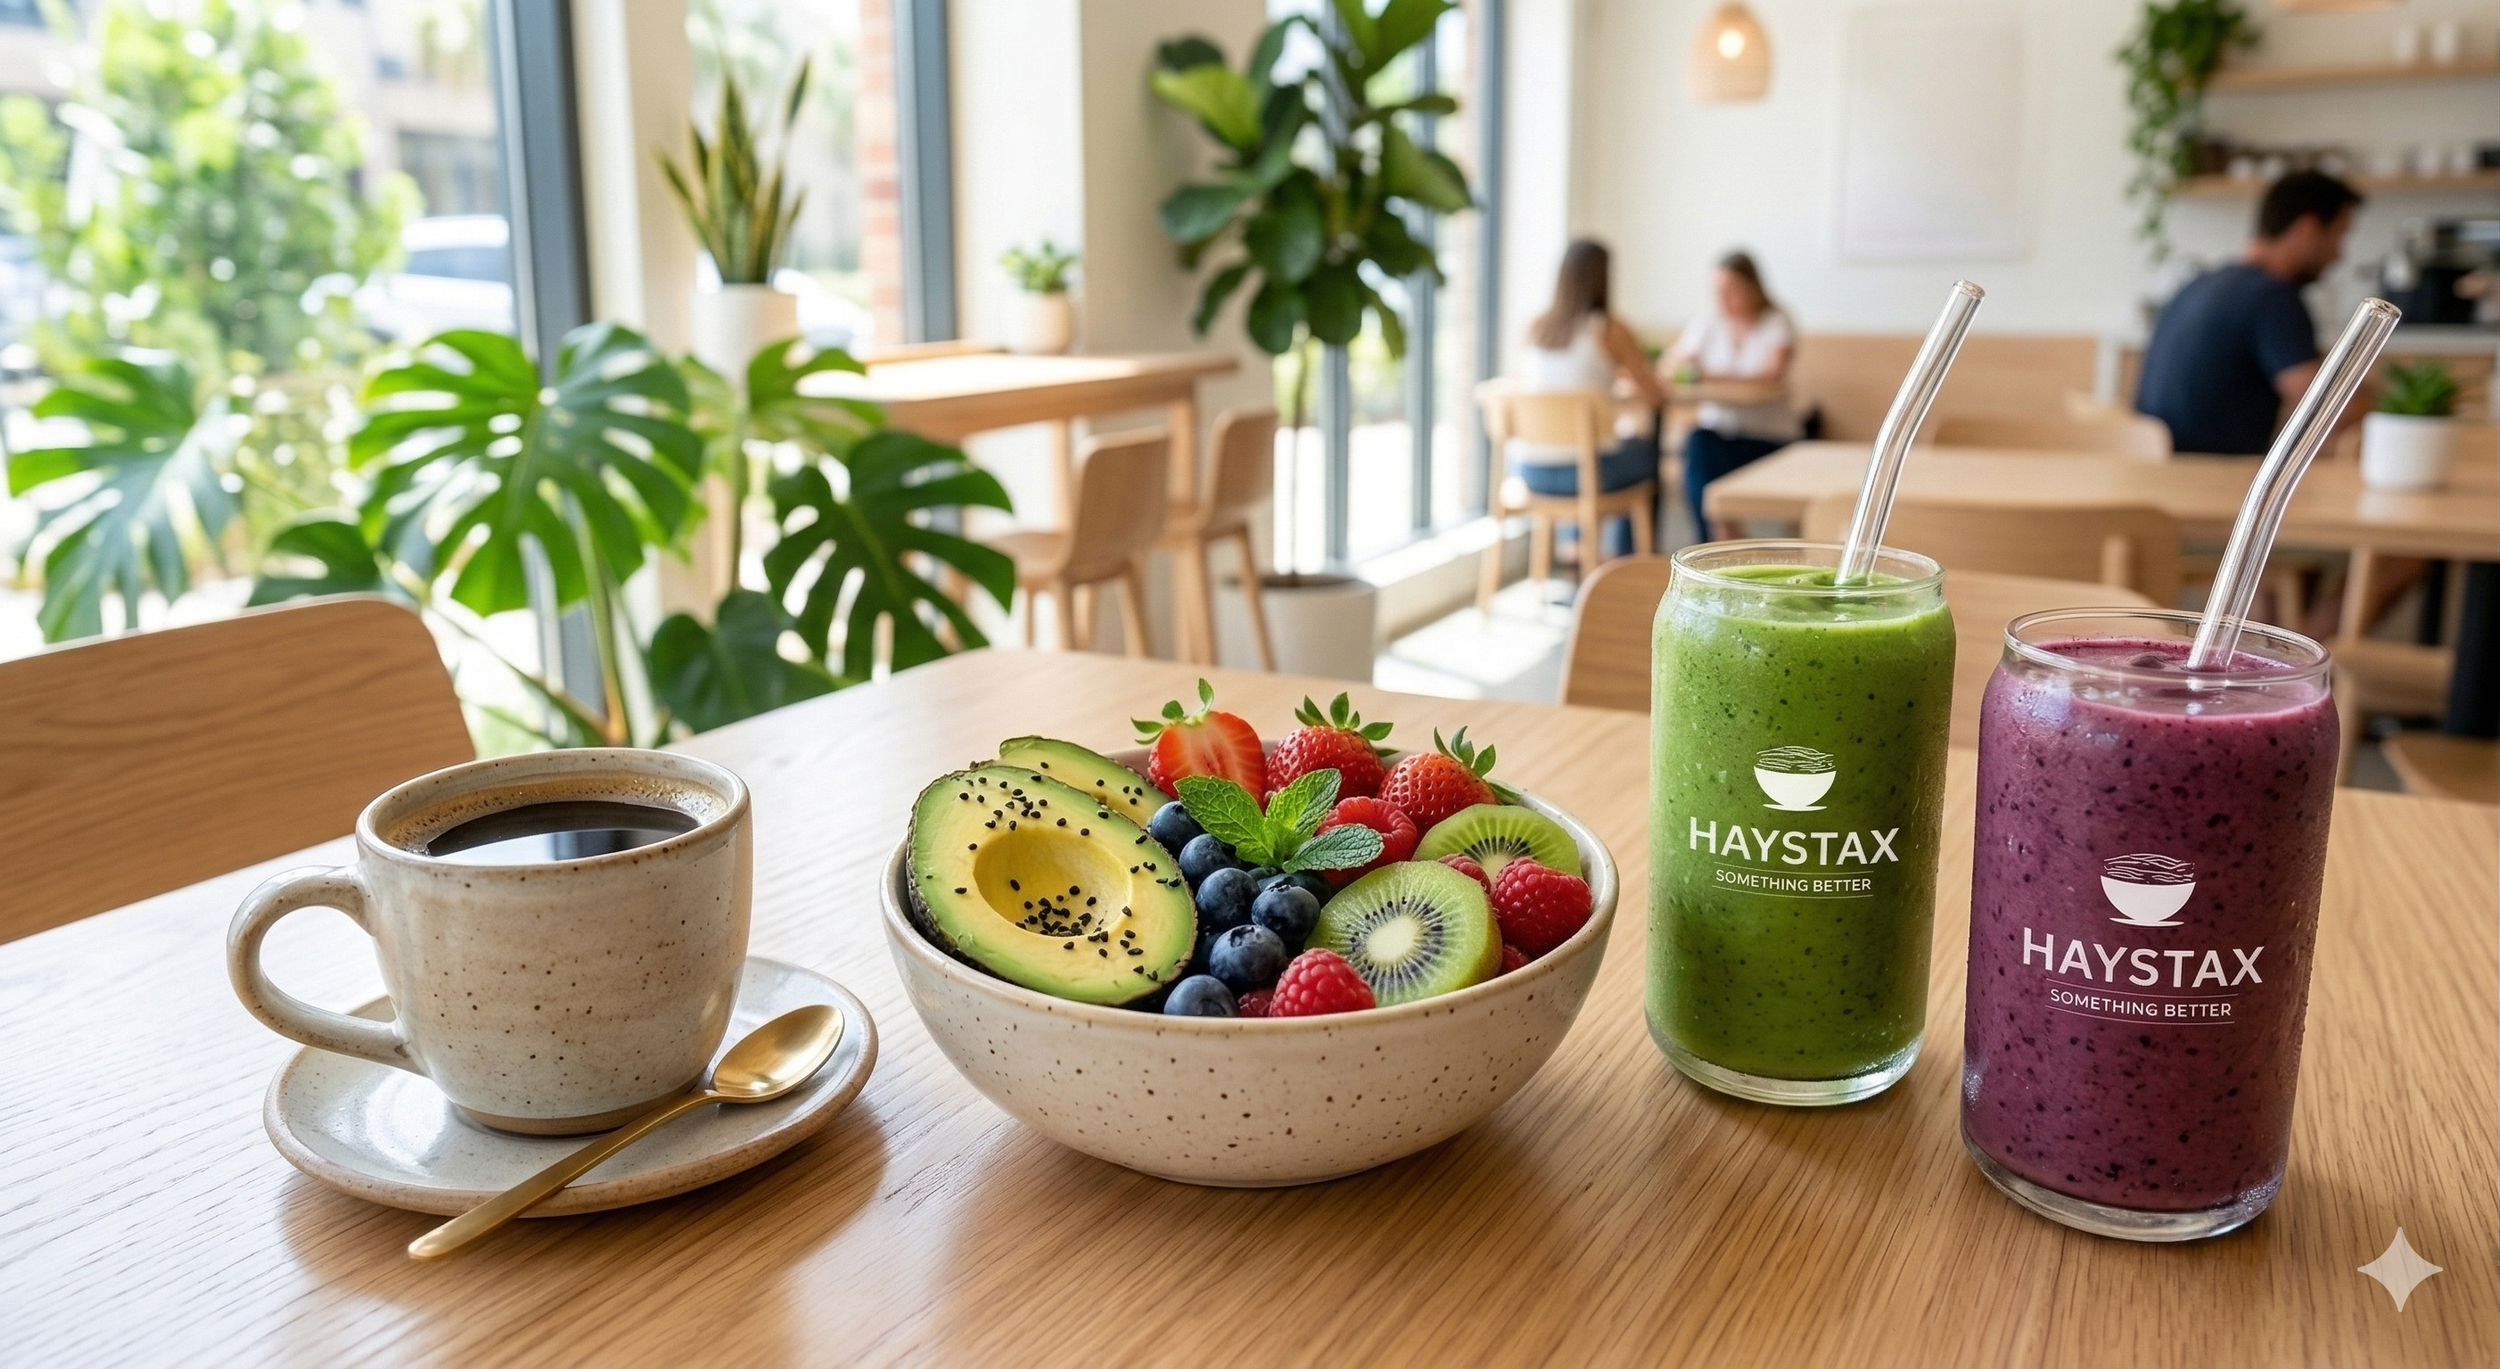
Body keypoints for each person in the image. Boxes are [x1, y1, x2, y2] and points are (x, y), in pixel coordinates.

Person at [2135, 171, 2366, 455]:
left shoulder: (2200, 283)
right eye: (2338, 236)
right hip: (2213, 479)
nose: (2339, 255)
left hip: (2154, 466)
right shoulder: (2272, 298)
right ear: (2308, 228)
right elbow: (2328, 408)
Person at [1512, 238, 1666, 557]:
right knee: (1645, 454)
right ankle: (1629, 564)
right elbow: (1655, 396)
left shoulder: (1536, 328)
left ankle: (1577, 551)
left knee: (1585, 447)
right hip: (1584, 476)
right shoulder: (1609, 329)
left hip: (1530, 471)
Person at [1666, 252, 1798, 539]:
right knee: (1696, 442)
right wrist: (1683, 366)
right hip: (1720, 434)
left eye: (1732, 290)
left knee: (1701, 455)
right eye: (1719, 291)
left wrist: (1709, 375)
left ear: (1753, 287)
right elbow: (1674, 363)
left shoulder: (1777, 321)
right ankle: (1713, 540)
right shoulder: (1709, 322)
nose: (1724, 298)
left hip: (1767, 438)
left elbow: (1771, 374)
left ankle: (1720, 539)